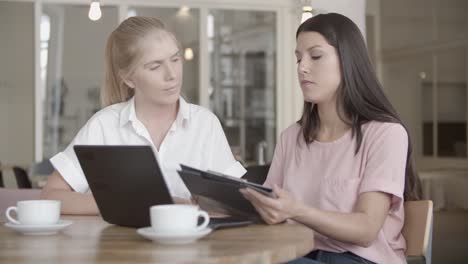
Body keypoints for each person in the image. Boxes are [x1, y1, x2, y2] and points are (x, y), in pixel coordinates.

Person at [241, 13, 421, 264]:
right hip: (298, 254)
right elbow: (270, 209)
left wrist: (296, 210)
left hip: (361, 259)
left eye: (315, 56)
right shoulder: (291, 137)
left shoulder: (386, 134)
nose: (302, 67)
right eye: (298, 58)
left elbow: (366, 230)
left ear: (348, 61)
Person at [41, 16, 245, 215]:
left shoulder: (205, 124)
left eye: (175, 59)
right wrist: (137, 203)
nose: (172, 75)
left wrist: (208, 205)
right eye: (155, 66)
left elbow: (238, 202)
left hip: (191, 247)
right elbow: (51, 196)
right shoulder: (103, 126)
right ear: (129, 79)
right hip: (117, 249)